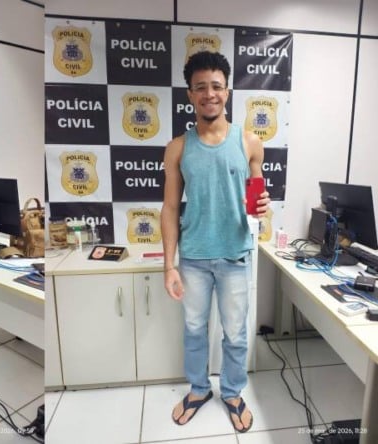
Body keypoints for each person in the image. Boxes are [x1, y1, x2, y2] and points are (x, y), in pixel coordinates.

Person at [161, 50, 269, 433]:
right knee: (194, 330)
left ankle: (233, 393)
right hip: (193, 257)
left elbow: (256, 205)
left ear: (228, 91)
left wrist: (263, 206)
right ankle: (198, 389)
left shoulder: (250, 142)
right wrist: (169, 265)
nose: (210, 94)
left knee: (235, 334)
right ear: (190, 94)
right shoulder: (178, 147)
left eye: (216, 86)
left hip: (235, 255)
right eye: (201, 87)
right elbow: (169, 208)